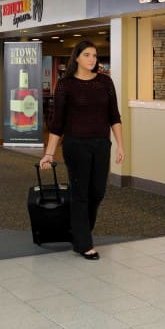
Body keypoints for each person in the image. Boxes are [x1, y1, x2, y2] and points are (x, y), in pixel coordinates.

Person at [39, 40, 125, 260]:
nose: (92, 59)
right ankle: (84, 242)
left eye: (94, 56)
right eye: (87, 55)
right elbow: (57, 124)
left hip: (101, 144)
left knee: (97, 192)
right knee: (80, 194)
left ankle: (79, 231)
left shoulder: (106, 82)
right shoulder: (65, 85)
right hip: (76, 145)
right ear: (76, 57)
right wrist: (49, 154)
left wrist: (120, 145)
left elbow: (114, 116)